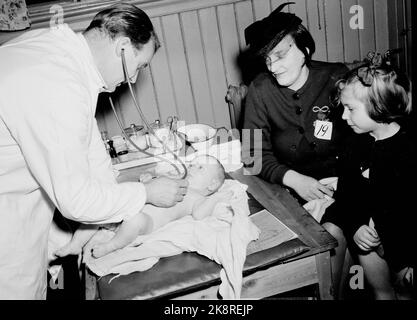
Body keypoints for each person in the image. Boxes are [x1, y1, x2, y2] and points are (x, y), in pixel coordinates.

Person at [0, 3, 188, 299]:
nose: (133, 79)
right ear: (123, 47)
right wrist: (145, 195)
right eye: (139, 66)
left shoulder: (61, 55)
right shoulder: (59, 81)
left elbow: (90, 153)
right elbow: (75, 199)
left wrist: (108, 212)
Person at [240, 2, 351, 296]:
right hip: (288, 191)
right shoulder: (259, 90)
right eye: (267, 58)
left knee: (335, 235)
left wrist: (347, 181)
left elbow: (364, 143)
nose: (273, 66)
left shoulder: (336, 77)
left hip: (344, 184)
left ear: (304, 48)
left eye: (280, 54)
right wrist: (295, 180)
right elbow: (252, 157)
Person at [321, 54, 415, 300]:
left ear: (378, 106)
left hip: (405, 245)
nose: (343, 117)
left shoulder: (408, 149)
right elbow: (346, 197)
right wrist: (356, 227)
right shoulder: (353, 144)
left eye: (351, 109)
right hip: (367, 239)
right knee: (381, 293)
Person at [55, 155, 230, 258]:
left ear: (212, 185)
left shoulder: (196, 197)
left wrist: (218, 198)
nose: (192, 167)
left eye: (200, 168)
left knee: (135, 220)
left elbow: (200, 215)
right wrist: (148, 179)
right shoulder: (177, 180)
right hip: (131, 207)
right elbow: (153, 189)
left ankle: (113, 245)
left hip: (148, 222)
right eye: (192, 164)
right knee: (97, 214)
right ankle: (76, 243)